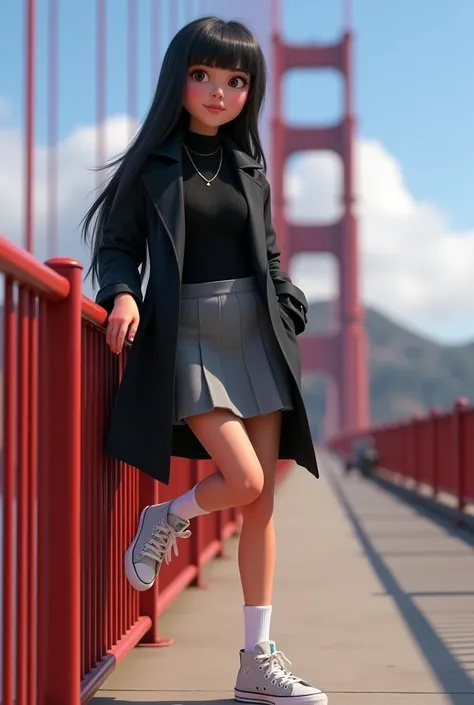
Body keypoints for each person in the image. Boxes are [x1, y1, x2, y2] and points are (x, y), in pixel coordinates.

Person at [82, 16, 325, 705]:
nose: (219, 92)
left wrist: (288, 297)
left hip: (258, 332)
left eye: (236, 80)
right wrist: (122, 294)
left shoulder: (250, 168)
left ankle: (257, 661)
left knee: (261, 505)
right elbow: (117, 247)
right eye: (204, 76)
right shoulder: (153, 164)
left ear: (251, 90)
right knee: (242, 478)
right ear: (179, 81)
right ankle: (169, 515)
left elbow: (270, 255)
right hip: (186, 332)